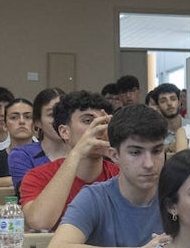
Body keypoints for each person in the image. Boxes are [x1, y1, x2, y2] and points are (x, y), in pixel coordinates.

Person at [46, 105, 168, 248]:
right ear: (114, 155)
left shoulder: (178, 195)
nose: (149, 164)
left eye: (156, 151)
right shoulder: (94, 197)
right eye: (136, 152)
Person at [19, 91, 117, 230]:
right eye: (88, 121)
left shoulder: (121, 174)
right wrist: (78, 152)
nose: (99, 128)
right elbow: (40, 223)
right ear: (64, 132)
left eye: (104, 122)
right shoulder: (38, 177)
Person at [8, 87, 67, 194]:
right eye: (51, 115)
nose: (59, 120)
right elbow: (28, 191)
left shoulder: (81, 152)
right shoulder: (22, 155)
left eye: (63, 113)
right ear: (38, 122)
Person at [148, 83, 183, 150]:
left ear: (179, 102)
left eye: (173, 99)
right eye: (163, 101)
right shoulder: (154, 134)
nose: (169, 103)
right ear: (158, 106)